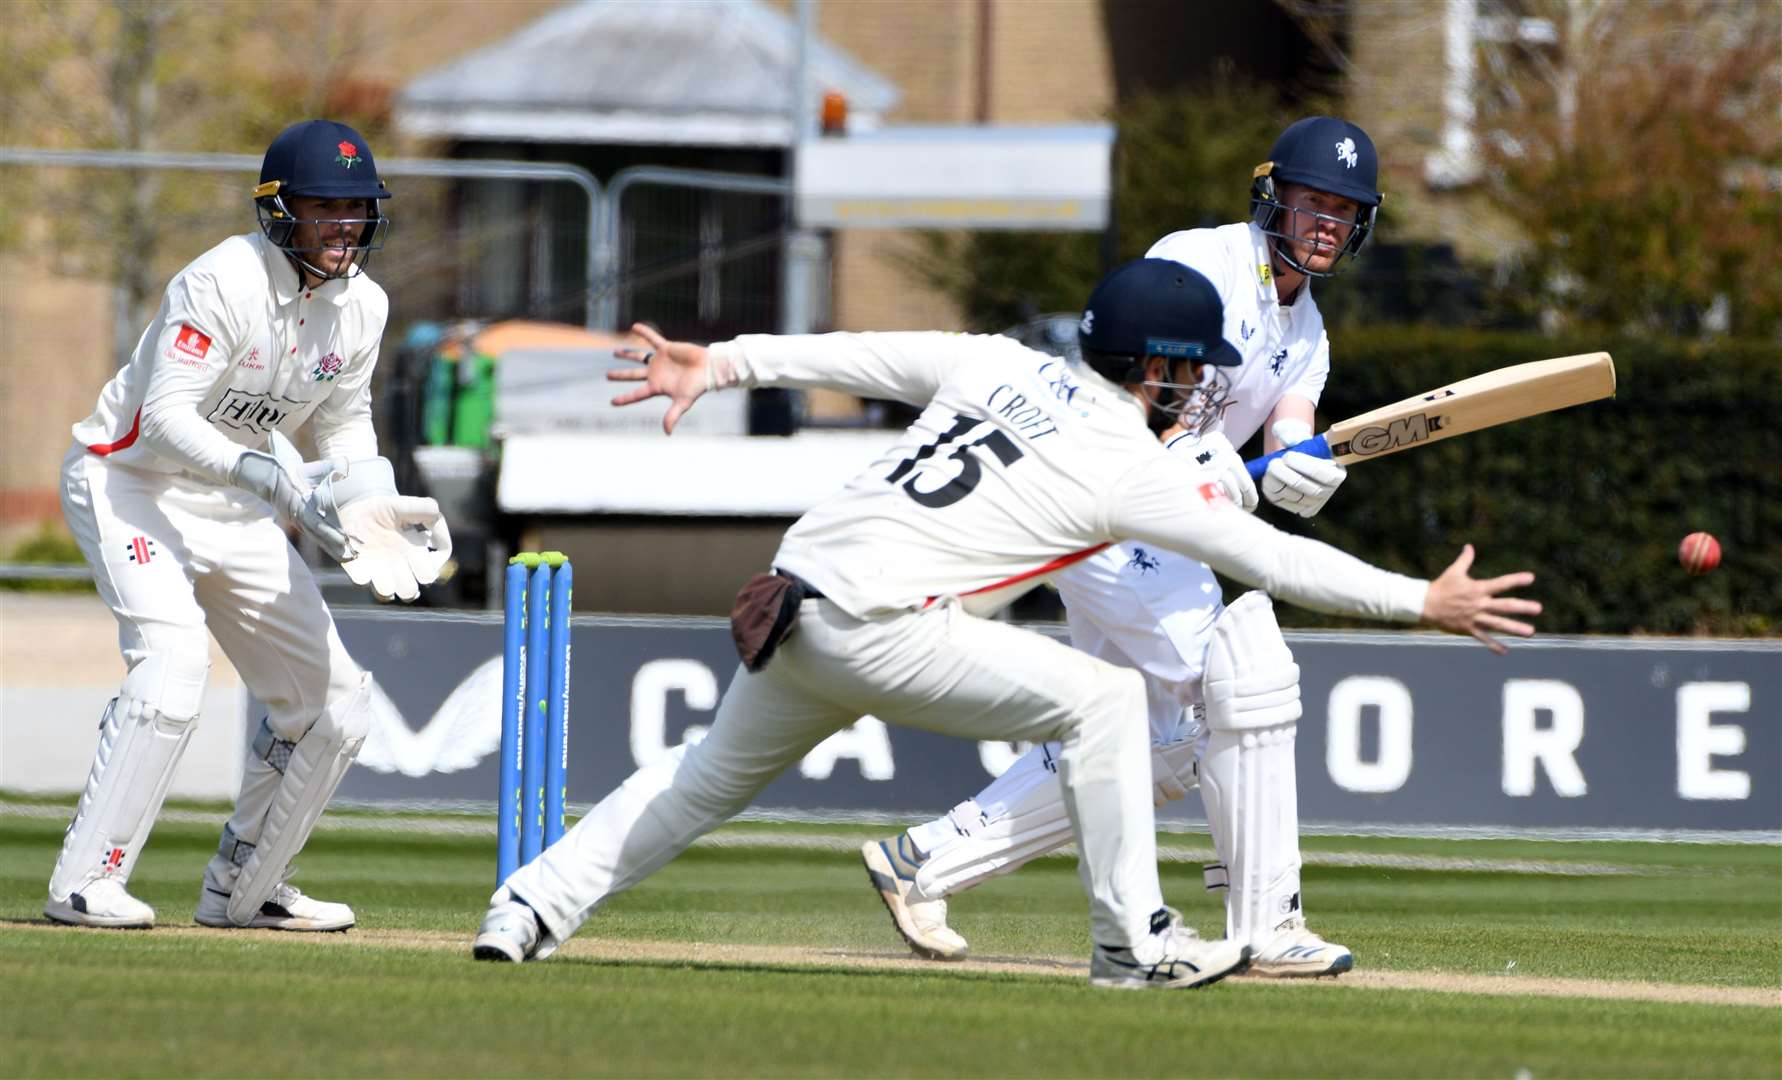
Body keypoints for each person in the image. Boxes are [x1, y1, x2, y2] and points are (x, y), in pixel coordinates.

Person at [471, 257, 1538, 989]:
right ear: (1153, 366)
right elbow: (1274, 559)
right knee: (1112, 699)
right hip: (889, 618)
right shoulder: (1129, 464)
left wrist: (725, 362)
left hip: (797, 592)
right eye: (1191, 367)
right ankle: (1136, 946)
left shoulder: (998, 361)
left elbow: (856, 354)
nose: (1201, 384)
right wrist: (1421, 602)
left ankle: (525, 909)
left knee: (698, 780)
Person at [861, 116, 1403, 976]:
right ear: (1275, 199)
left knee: (1146, 737)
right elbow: (1130, 384)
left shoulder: (1311, 336)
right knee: (1236, 684)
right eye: (1312, 202)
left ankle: (926, 861)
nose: (1326, 222)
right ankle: (1267, 922)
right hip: (1097, 495)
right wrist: (1201, 454)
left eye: (1344, 209)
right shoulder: (1200, 261)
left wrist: (1303, 469)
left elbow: (1288, 432)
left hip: (1140, 523)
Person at [46, 120, 451, 932]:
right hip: (131, 481)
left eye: (358, 207)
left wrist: (370, 498)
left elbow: (341, 428)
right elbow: (162, 419)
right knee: (172, 668)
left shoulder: (363, 307)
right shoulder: (222, 280)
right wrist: (267, 475)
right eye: (326, 205)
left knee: (337, 707)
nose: (345, 224)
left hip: (233, 503)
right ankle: (86, 882)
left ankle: (247, 886)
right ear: (279, 210)